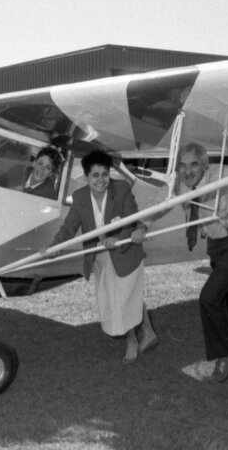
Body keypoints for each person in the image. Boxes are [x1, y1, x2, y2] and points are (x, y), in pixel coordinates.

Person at [48, 150, 157, 364]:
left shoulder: (122, 189)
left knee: (121, 297)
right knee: (124, 295)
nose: (101, 180)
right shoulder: (80, 197)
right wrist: (54, 247)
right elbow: (69, 227)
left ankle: (132, 341)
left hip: (124, 252)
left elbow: (132, 222)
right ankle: (149, 332)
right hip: (99, 256)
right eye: (95, 175)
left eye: (105, 174)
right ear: (86, 177)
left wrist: (118, 237)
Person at [175, 141, 228, 383]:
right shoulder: (182, 184)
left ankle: (222, 356)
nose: (187, 171)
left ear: (205, 165)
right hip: (216, 243)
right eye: (182, 166)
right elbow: (160, 200)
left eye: (193, 165)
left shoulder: (223, 177)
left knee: (209, 297)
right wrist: (141, 225)